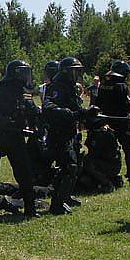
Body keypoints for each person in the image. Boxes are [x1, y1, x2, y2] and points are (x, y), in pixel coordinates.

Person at [0, 60, 42, 218]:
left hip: (15, 138)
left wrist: (37, 123)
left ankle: (30, 208)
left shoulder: (24, 93)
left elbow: (32, 112)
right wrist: (2, 120)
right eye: (24, 73)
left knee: (24, 172)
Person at [43, 57, 98, 214]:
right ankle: (57, 203)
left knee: (76, 163)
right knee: (69, 166)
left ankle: (66, 196)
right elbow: (49, 107)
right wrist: (70, 113)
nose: (77, 74)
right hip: (59, 133)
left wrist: (86, 114)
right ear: (66, 71)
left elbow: (76, 108)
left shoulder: (71, 86)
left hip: (71, 132)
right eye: (75, 71)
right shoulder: (57, 86)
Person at [95, 60, 130, 186]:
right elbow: (128, 106)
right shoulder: (121, 85)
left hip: (105, 120)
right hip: (120, 121)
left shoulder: (103, 84)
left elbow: (98, 102)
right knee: (129, 151)